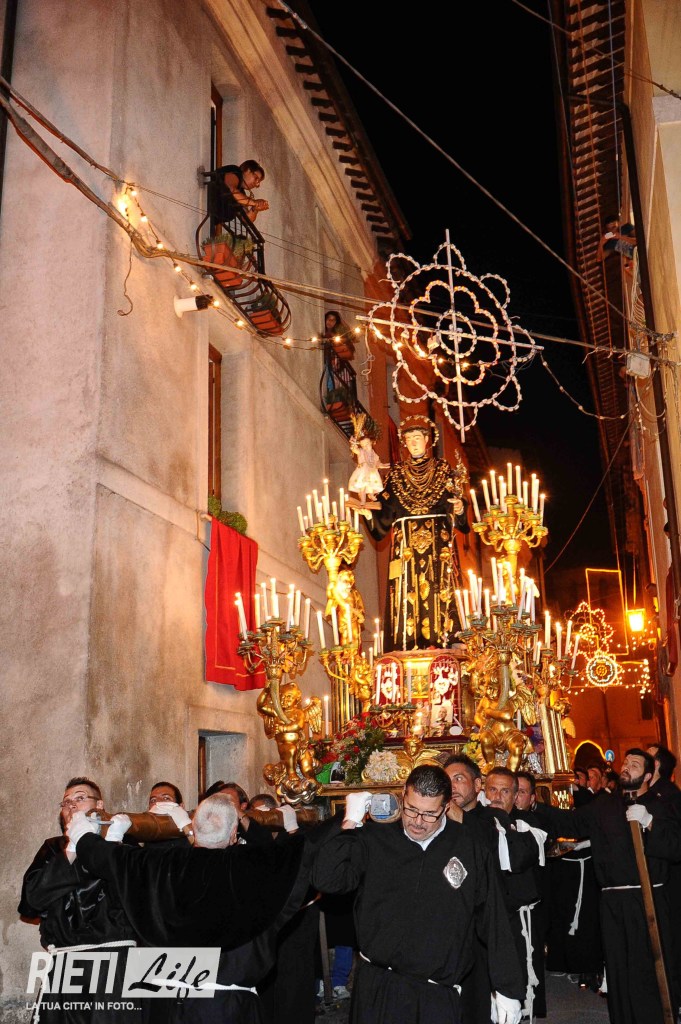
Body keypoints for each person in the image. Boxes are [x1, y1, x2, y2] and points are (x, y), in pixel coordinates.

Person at [67, 793, 309, 1024]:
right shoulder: (253, 870)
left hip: (166, 1005)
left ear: (194, 825)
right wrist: (294, 830)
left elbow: (108, 858)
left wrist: (83, 833)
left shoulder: (162, 865)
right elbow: (295, 858)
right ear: (234, 833)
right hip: (226, 1009)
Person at [312, 764, 525, 1024]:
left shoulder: (468, 846)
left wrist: (507, 988)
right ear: (403, 795)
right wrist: (350, 822)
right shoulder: (377, 837)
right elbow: (328, 879)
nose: (418, 822)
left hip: (436, 995)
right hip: (377, 987)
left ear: (446, 807)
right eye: (411, 809)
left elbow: (494, 920)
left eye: (429, 814)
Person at [534, 748, 681, 1024]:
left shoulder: (661, 805)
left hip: (648, 899)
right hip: (613, 903)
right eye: (626, 763)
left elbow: (676, 847)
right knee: (619, 967)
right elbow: (571, 823)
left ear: (648, 776)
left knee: (648, 967)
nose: (626, 767)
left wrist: (651, 823)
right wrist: (535, 806)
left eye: (634, 765)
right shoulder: (605, 805)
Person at [18, 777, 140, 1023]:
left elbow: (130, 900)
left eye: (80, 798)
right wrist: (71, 851)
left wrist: (111, 845)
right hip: (66, 966)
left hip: (113, 968)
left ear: (99, 805)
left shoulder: (124, 844)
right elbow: (31, 902)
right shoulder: (53, 848)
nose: (71, 805)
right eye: (66, 802)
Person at [366, 416, 469, 651]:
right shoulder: (396, 475)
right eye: (409, 439)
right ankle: (407, 642)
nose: (413, 443)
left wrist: (460, 507)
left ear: (427, 441)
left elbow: (456, 500)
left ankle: (445, 638)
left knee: (438, 587)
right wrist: (368, 510)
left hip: (437, 543)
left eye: (417, 438)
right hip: (406, 545)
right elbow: (385, 512)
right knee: (406, 589)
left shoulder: (442, 470)